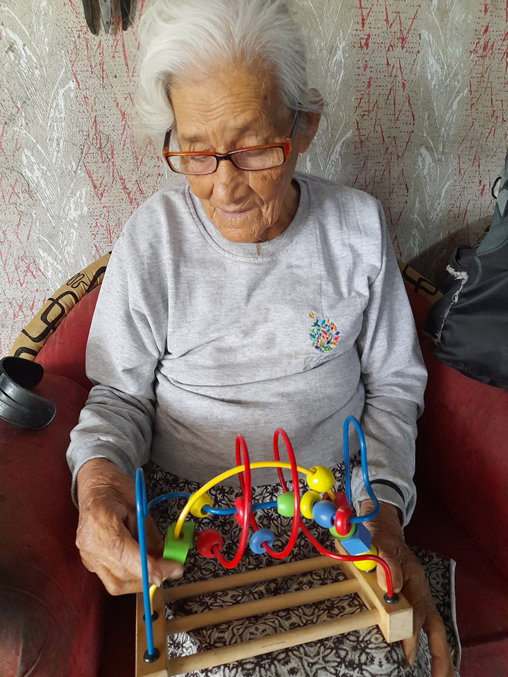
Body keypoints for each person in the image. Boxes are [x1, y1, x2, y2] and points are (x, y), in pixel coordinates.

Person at [67, 1, 456, 675]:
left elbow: (395, 386)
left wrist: (384, 512)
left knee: (398, 654)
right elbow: (118, 398)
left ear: (303, 127)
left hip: (334, 509)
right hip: (193, 518)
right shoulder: (153, 240)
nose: (225, 187)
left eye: (252, 148)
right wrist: (99, 488)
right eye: (196, 151)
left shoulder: (358, 229)